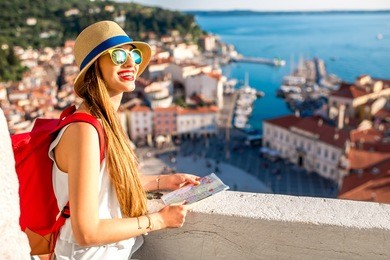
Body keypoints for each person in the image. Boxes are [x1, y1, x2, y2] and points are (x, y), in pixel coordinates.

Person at [50, 20, 200, 259]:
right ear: (94, 67)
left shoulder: (102, 121)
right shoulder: (85, 130)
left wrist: (164, 180)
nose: (131, 62)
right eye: (118, 56)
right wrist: (159, 220)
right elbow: (86, 232)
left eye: (135, 55)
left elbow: (105, 184)